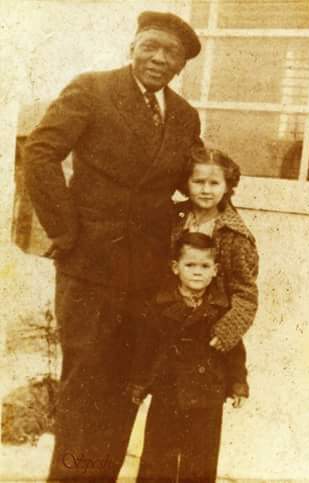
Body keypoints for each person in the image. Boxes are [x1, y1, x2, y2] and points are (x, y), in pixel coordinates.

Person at [23, 11, 202, 481]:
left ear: (182, 65)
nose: (159, 58)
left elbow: (197, 175)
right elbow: (39, 153)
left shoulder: (184, 115)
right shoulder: (93, 89)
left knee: (127, 387)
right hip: (90, 267)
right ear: (133, 47)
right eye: (151, 46)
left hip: (149, 273)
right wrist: (65, 232)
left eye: (171, 53)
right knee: (86, 387)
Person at [130, 231, 249, 482]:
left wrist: (238, 383)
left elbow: (235, 350)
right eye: (190, 265)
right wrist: (140, 383)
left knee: (201, 458)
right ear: (175, 268)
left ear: (215, 270)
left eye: (204, 266)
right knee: (158, 454)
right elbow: (146, 347)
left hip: (208, 394)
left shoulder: (222, 309)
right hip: (168, 390)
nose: (197, 272)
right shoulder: (160, 305)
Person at [172, 145, 259, 352]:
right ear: (186, 183)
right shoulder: (172, 219)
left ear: (227, 186)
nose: (206, 190)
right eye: (198, 182)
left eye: (214, 183)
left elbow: (245, 293)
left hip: (210, 329)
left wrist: (226, 331)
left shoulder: (234, 235)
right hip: (169, 322)